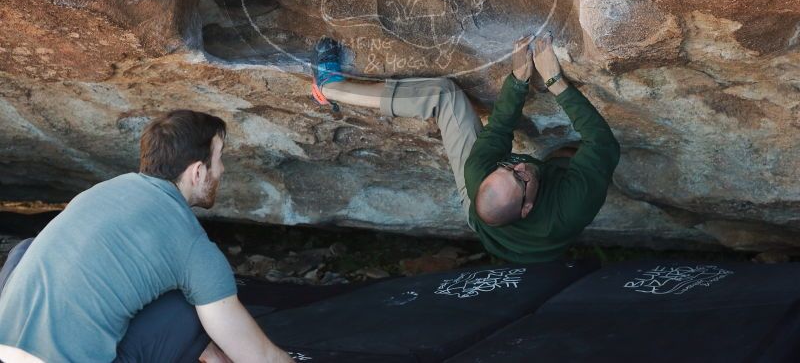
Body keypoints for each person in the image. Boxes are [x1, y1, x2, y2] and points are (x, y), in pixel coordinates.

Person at [0, 110, 292, 363]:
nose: (223, 169)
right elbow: (258, 356)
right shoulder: (190, 245)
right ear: (198, 173)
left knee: (27, 250)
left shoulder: (100, 191)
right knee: (191, 305)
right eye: (219, 159)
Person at [311, 31, 620, 263]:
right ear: (526, 207)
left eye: (509, 165)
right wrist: (554, 80)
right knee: (576, 154)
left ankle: (331, 88)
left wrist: (518, 80)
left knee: (443, 95)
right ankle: (329, 88)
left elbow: (499, 129)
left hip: (491, 220)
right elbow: (603, 142)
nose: (521, 164)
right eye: (518, 174)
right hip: (543, 227)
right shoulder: (574, 202)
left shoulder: (481, 174)